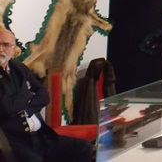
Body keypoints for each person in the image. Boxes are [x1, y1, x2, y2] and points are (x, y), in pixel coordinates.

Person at [0, 26, 93, 162]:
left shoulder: (19, 68)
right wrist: (28, 94)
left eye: (5, 45)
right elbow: (7, 108)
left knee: (82, 147)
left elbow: (44, 95)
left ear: (13, 48)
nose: (1, 49)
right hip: (15, 142)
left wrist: (26, 108)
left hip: (41, 137)